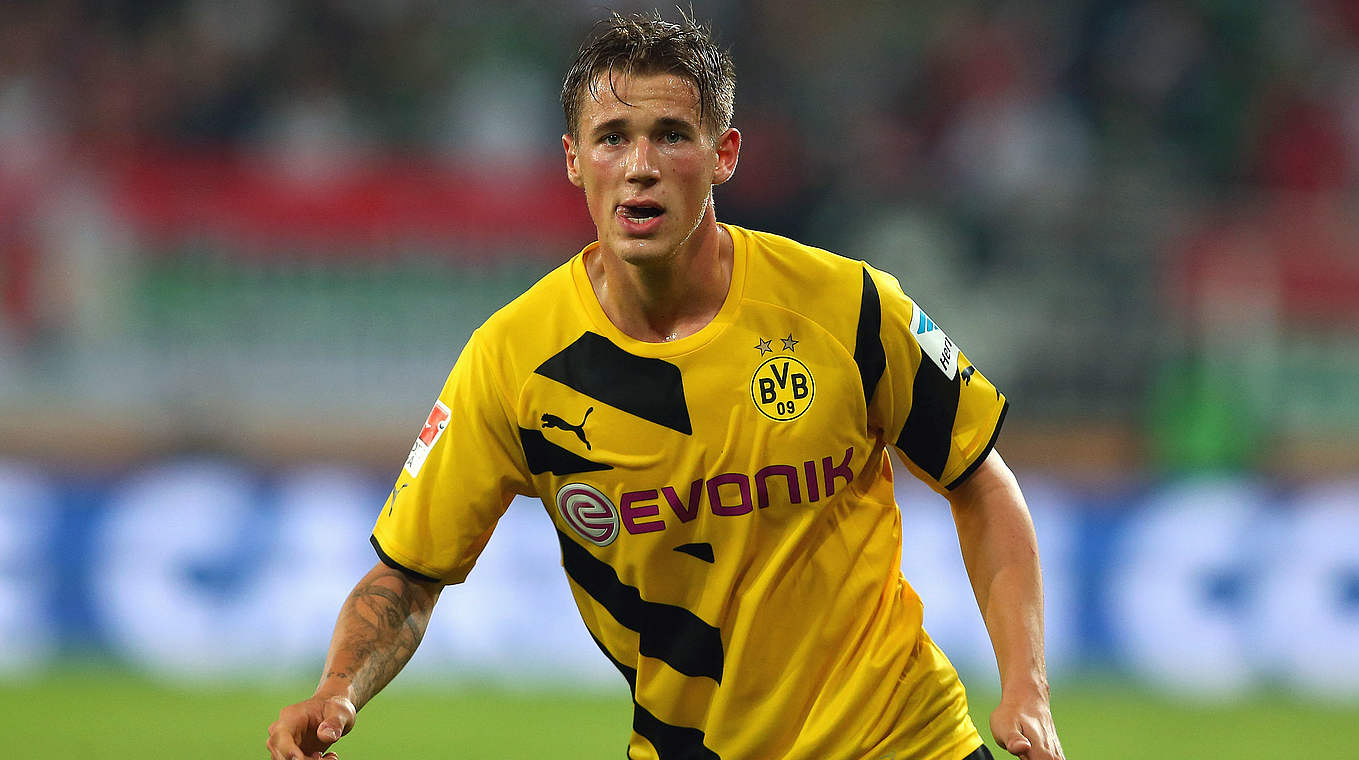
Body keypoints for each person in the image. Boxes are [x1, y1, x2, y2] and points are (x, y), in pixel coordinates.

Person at [267, 10, 1064, 760]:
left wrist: (1026, 687)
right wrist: (338, 691)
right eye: (612, 138)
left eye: (671, 136)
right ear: (573, 160)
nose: (640, 167)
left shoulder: (848, 307)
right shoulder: (513, 362)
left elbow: (979, 479)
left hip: (906, 741)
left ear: (724, 154)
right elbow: (409, 574)